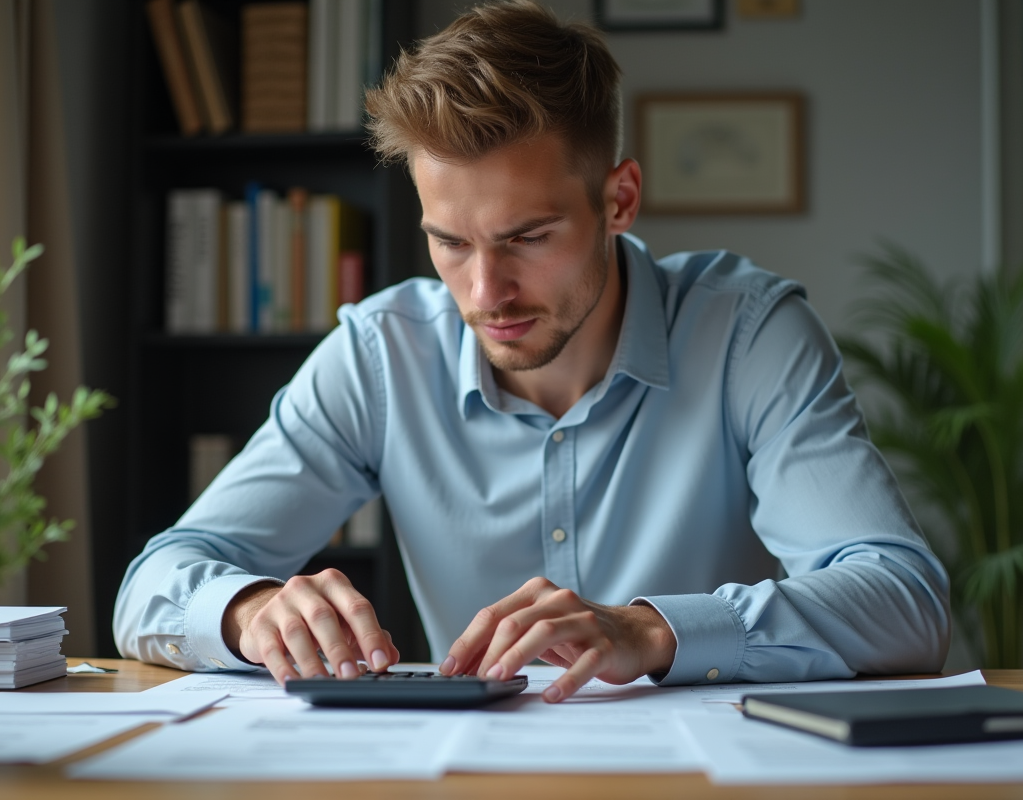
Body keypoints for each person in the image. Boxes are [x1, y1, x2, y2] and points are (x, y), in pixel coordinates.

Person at [115, 0, 950, 703]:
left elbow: (903, 603)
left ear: (618, 199)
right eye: (448, 242)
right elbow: (153, 586)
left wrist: (651, 629)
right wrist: (247, 610)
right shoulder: (380, 355)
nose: (484, 293)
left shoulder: (749, 335)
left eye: (528, 237)